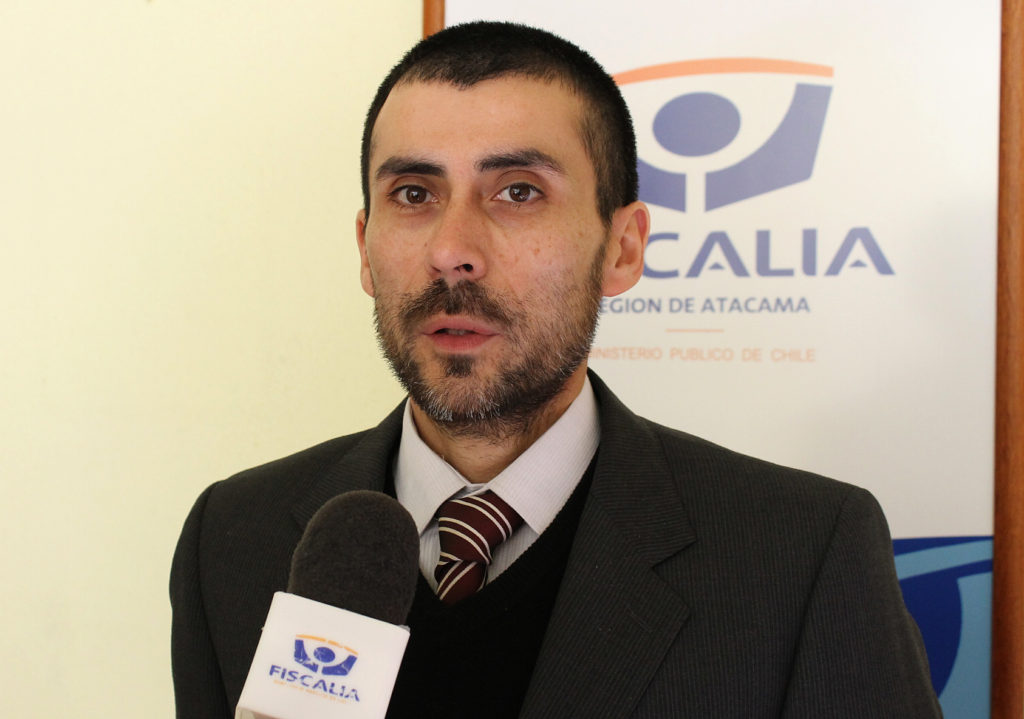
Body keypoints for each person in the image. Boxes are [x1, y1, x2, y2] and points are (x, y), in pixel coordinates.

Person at [170, 21, 942, 719]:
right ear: (366, 248)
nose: (452, 249)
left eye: (518, 192)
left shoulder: (801, 554)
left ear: (622, 248)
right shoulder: (232, 538)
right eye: (414, 193)